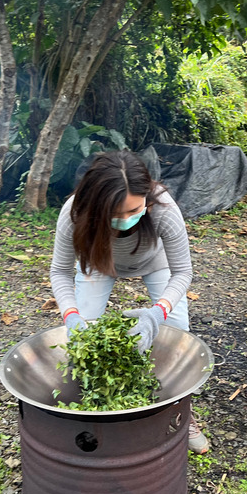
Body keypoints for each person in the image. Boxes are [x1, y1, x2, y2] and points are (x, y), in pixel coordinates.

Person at [49, 149, 209, 453]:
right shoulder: (75, 212)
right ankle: (94, 407)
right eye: (114, 214)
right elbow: (59, 271)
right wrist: (71, 316)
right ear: (95, 206)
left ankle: (181, 413)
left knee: (178, 334)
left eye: (133, 210)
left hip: (155, 263)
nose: (124, 220)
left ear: (146, 199)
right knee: (83, 340)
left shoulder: (163, 208)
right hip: (99, 264)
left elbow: (182, 272)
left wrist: (156, 312)